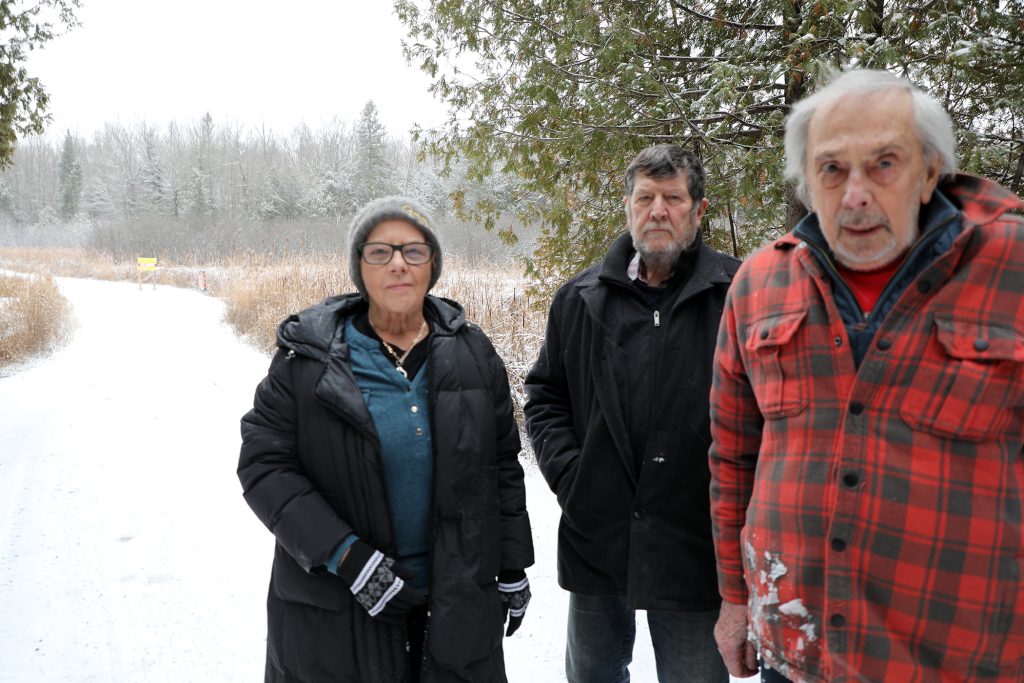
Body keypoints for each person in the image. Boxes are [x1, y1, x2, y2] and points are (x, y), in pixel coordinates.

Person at [710, 68, 1024, 683]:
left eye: (884, 164)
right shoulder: (758, 282)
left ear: (930, 172)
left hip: (961, 659)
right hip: (796, 652)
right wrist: (733, 598)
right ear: (807, 182)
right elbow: (732, 455)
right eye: (832, 169)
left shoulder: (1011, 268)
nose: (855, 195)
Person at [238, 196, 535, 683]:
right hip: (338, 609)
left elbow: (501, 464)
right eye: (380, 251)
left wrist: (512, 563)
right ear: (359, 267)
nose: (398, 263)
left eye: (413, 251)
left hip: (455, 599)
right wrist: (347, 557)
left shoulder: (474, 353)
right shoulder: (307, 359)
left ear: (432, 265)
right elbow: (264, 465)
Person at [524, 143, 739, 682]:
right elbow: (545, 396)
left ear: (699, 209)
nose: (658, 210)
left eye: (672, 197)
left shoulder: (738, 295)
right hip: (598, 532)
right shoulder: (580, 298)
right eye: (645, 197)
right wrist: (574, 479)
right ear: (628, 206)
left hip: (696, 540)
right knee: (594, 674)